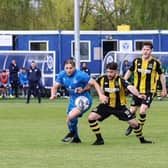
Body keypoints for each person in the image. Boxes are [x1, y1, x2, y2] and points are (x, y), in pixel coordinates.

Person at [88, 62, 153, 145]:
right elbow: (92, 84)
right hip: (106, 106)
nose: (109, 74)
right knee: (91, 117)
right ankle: (99, 140)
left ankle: (142, 140)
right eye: (107, 72)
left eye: (111, 72)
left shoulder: (120, 80)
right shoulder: (102, 78)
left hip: (120, 107)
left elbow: (130, 87)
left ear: (116, 72)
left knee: (134, 124)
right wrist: (83, 89)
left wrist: (138, 95)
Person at [50, 58, 106, 143]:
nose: (68, 70)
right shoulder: (62, 75)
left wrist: (101, 95)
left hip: (84, 100)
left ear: (75, 67)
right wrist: (53, 94)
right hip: (73, 100)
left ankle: (72, 133)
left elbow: (94, 83)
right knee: (71, 120)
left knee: (70, 117)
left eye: (70, 68)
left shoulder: (80, 75)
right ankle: (76, 138)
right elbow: (54, 86)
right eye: (67, 68)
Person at [124, 42, 167, 136]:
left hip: (149, 91)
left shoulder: (155, 63)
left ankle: (139, 127)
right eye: (144, 49)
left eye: (147, 49)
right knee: (131, 112)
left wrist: (164, 89)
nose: (145, 51)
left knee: (142, 110)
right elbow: (129, 71)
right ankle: (132, 125)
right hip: (137, 90)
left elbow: (161, 75)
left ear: (151, 51)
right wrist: (123, 81)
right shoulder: (136, 61)